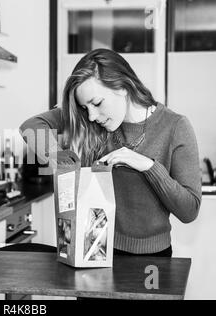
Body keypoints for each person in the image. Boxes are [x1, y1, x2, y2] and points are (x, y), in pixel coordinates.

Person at [19, 48, 202, 257]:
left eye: (97, 103)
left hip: (151, 260)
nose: (92, 116)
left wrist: (148, 166)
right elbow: (31, 126)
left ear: (123, 86)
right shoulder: (92, 121)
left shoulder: (175, 126)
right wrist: (56, 155)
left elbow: (189, 211)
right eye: (85, 108)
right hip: (94, 250)